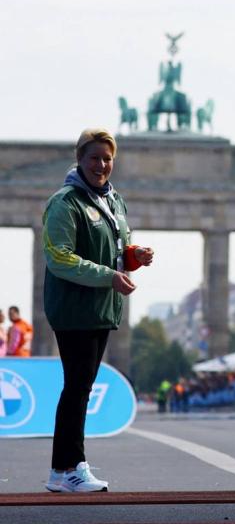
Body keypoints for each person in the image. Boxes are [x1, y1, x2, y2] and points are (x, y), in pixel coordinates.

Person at [42, 128, 154, 492]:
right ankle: (70, 468)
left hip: (102, 307)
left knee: (81, 388)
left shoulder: (114, 201)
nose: (101, 165)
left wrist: (134, 257)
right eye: (94, 158)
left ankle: (64, 470)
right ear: (80, 159)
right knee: (76, 388)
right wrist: (109, 275)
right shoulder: (66, 202)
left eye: (107, 159)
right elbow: (59, 257)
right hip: (74, 307)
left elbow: (117, 251)